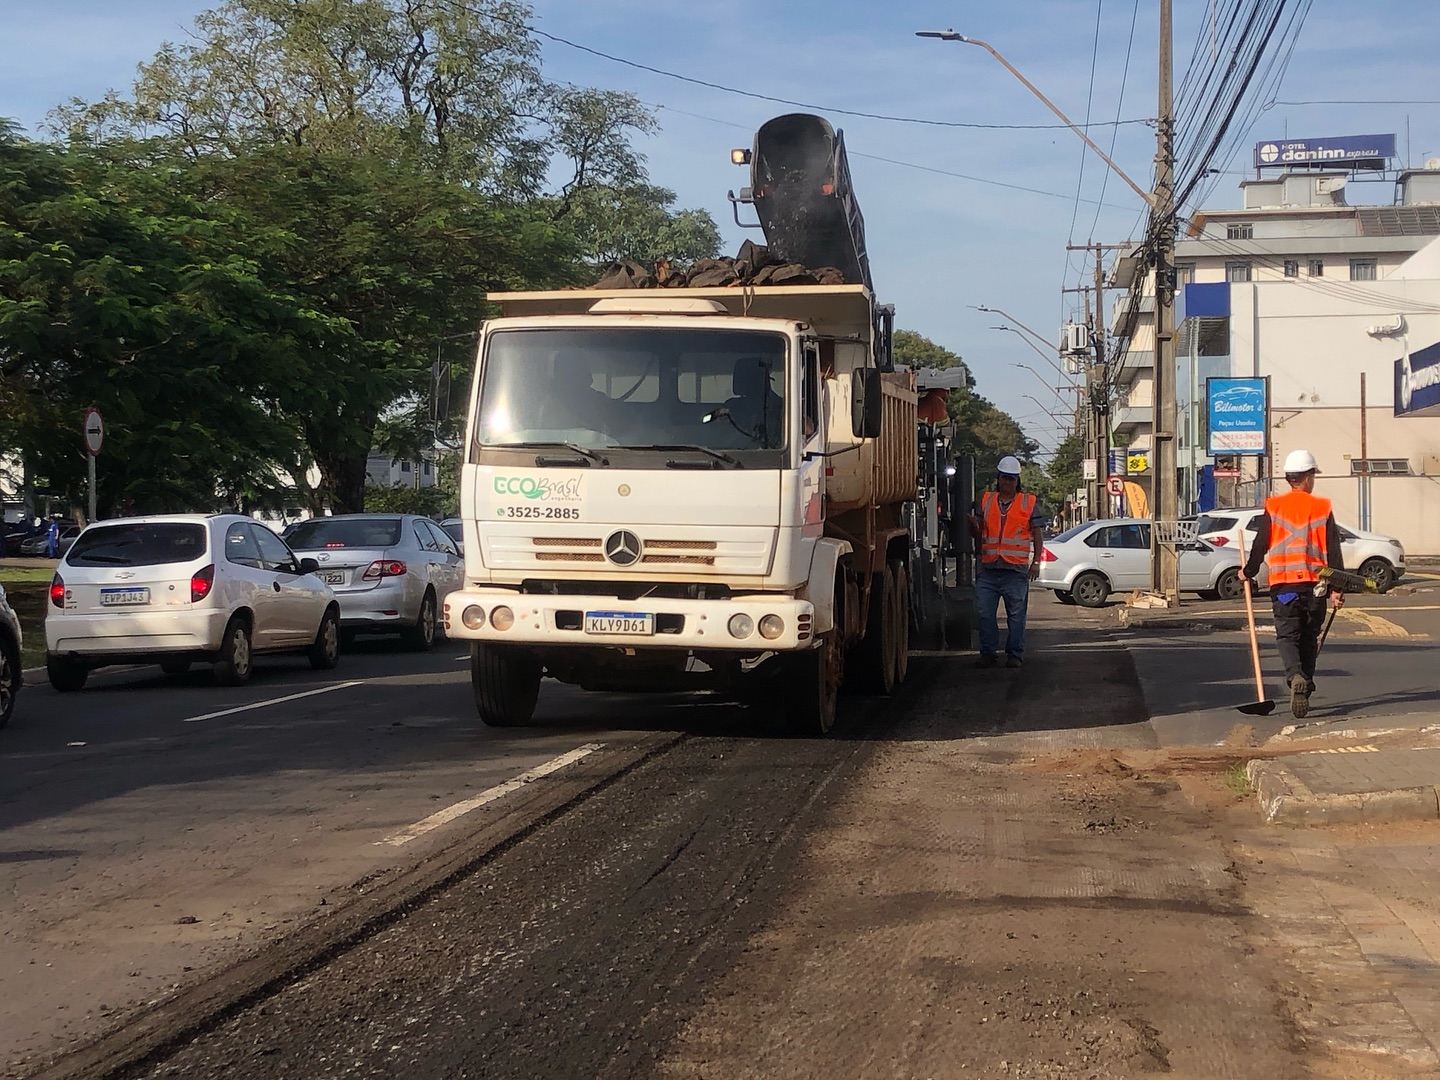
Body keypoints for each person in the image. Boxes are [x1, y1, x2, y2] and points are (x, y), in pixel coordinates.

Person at [1240, 448, 1345, 718]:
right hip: (1316, 588)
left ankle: (1294, 674)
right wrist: (1337, 588)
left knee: (1288, 635)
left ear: (1289, 478)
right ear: (1308, 478)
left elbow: (1261, 542)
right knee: (1310, 638)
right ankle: (1305, 685)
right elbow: (1334, 550)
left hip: (1285, 589)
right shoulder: (1322, 507)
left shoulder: (1274, 506)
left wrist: (1249, 571)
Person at [966, 455, 1046, 668]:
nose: (1007, 482)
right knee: (984, 614)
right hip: (989, 569)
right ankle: (988, 653)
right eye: (1004, 478)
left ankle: (1015, 654)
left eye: (1011, 479)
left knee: (1016, 616)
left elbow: (1037, 534)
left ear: (1017, 481)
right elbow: (978, 532)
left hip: (1015, 571)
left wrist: (1036, 562)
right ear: (998, 478)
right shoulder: (987, 500)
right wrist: (973, 525)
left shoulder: (1028, 503)